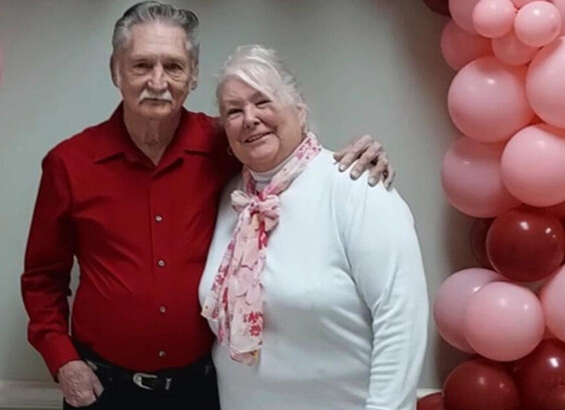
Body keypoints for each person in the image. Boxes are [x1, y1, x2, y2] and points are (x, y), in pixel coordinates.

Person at [21, 2, 394, 409]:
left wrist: (353, 159)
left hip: (201, 390)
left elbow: (290, 162)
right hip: (104, 388)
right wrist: (63, 361)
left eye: (174, 66)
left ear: (193, 74)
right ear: (116, 70)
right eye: (142, 65)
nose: (158, 81)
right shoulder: (69, 164)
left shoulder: (225, 144)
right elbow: (42, 279)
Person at [199, 45, 428, 410]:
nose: (250, 118)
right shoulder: (231, 199)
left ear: (299, 107)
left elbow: (401, 317)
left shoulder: (354, 186)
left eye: (263, 101)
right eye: (234, 111)